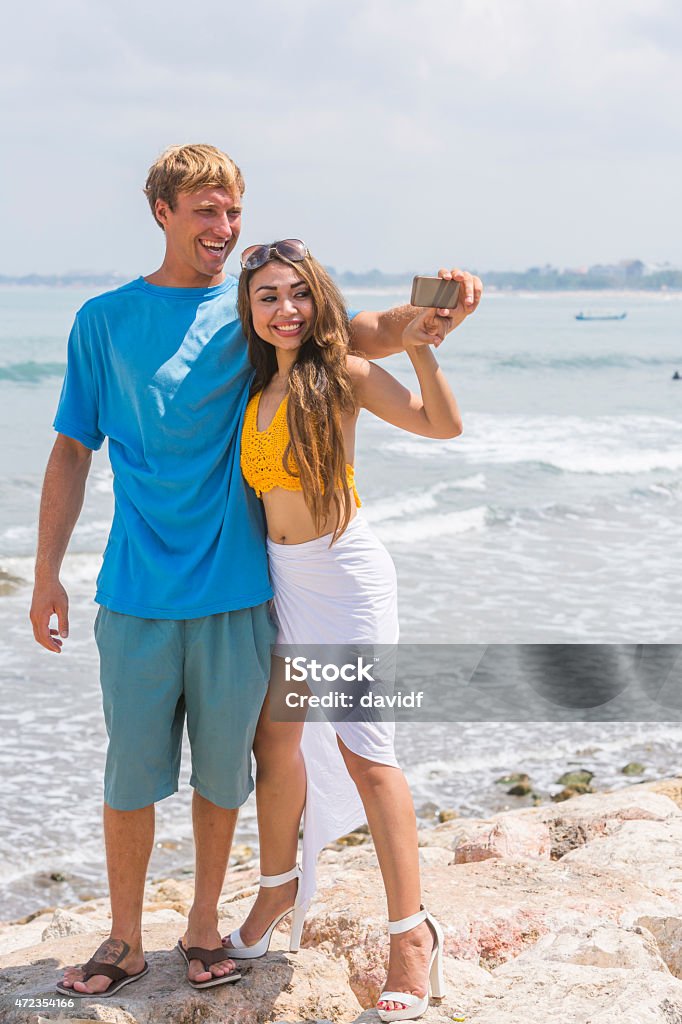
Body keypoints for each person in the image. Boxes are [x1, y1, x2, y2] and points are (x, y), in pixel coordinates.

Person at [28, 144, 482, 997]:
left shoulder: (252, 321)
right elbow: (70, 446)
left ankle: (222, 927)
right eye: (206, 210)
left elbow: (351, 332)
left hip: (250, 591)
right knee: (150, 772)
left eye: (232, 211)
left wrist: (432, 320)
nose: (223, 227)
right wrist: (47, 570)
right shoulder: (107, 318)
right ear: (160, 211)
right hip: (143, 590)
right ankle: (135, 937)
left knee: (240, 771)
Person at [221, 239, 475, 1022]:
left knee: (370, 756)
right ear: (250, 310)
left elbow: (442, 426)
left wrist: (426, 345)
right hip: (286, 582)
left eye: (297, 293)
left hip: (346, 579)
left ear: (317, 297)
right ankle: (277, 891)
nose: (284, 308)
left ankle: (411, 936)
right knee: (275, 743)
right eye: (267, 296)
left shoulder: (342, 374)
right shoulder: (255, 385)